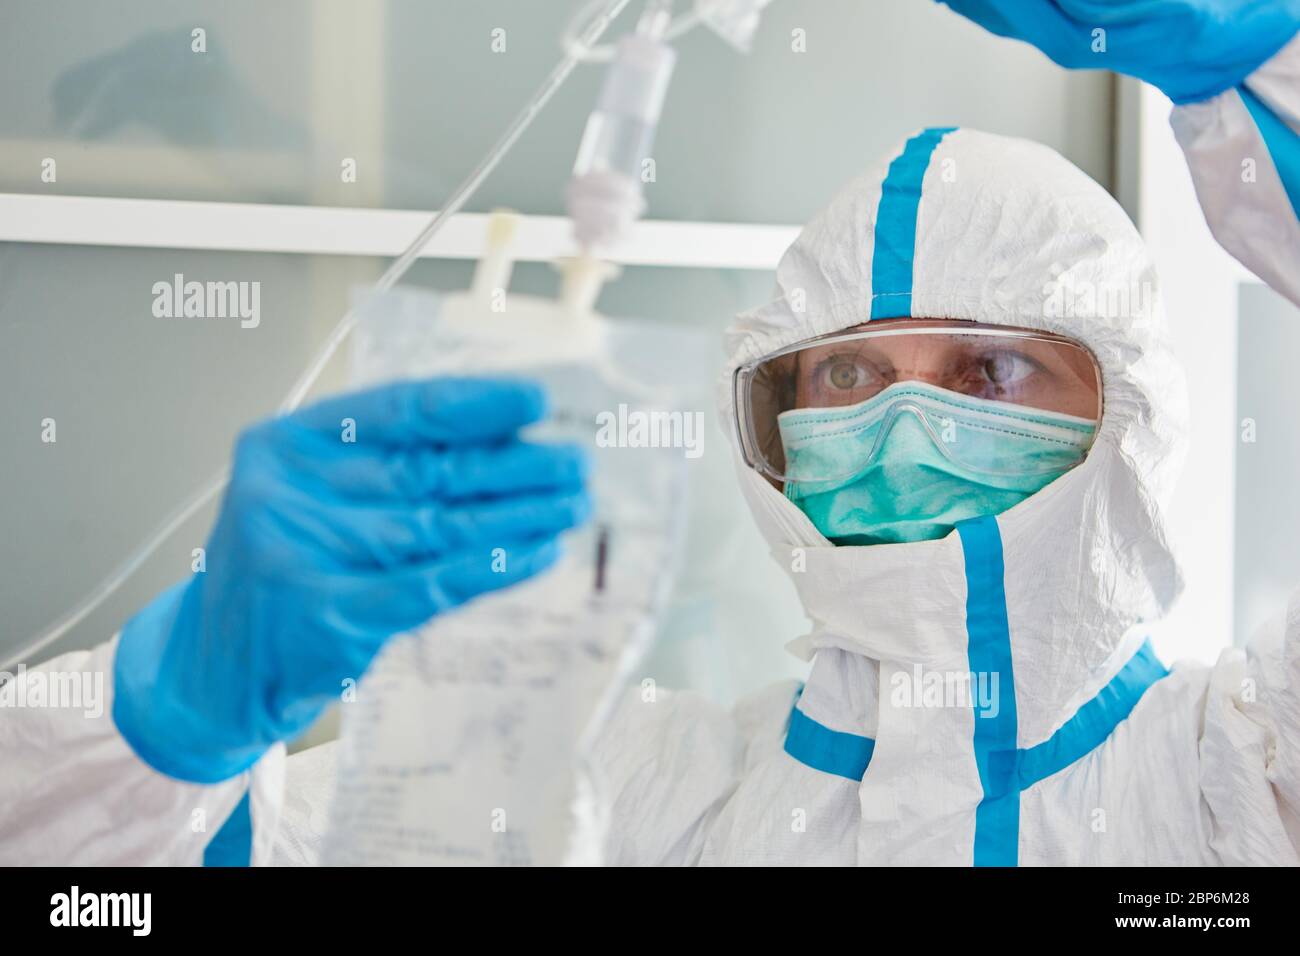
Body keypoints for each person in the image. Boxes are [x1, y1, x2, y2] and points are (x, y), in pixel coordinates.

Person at [1, 3, 1297, 866]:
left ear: (1130, 418)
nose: (905, 423)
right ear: (770, 427)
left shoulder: (1235, 780)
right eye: (844, 370)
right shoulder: (625, 799)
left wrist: (1269, 56)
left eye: (993, 368)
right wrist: (175, 714)